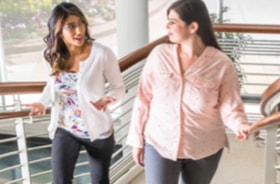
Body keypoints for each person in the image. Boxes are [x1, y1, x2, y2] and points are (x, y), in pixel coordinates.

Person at [126, 0, 251, 184]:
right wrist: (137, 141)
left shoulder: (221, 64)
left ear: (193, 26)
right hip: (159, 142)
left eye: (173, 21)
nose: (167, 26)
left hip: (204, 146)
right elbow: (143, 101)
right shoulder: (159, 55)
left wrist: (240, 124)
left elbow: (230, 106)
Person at [26, 2, 126, 184]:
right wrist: (42, 102)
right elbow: (51, 86)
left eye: (81, 23)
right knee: (60, 181)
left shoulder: (102, 53)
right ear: (58, 30)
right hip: (65, 128)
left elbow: (119, 87)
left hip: (99, 130)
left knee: (99, 180)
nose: (79, 30)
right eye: (71, 26)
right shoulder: (50, 54)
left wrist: (109, 99)